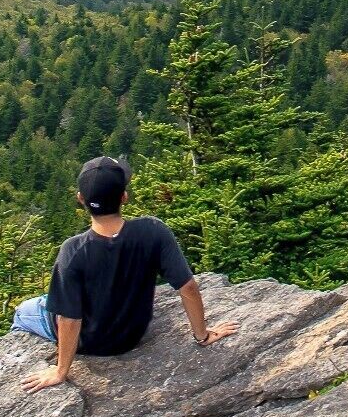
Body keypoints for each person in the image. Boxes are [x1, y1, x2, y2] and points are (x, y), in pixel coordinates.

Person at [15, 156, 238, 392]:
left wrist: (61, 371)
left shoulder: (73, 250)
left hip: (90, 342)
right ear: (124, 197)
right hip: (131, 336)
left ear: (81, 199)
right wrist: (202, 335)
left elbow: (69, 318)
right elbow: (188, 288)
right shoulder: (153, 231)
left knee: (22, 312)